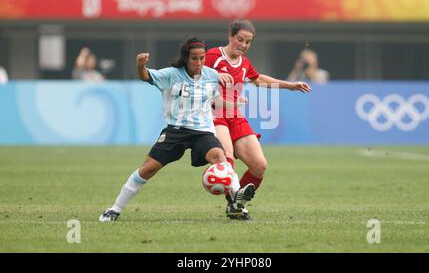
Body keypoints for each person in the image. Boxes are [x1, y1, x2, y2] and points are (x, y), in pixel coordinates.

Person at [99, 37, 254, 222]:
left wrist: (233, 103)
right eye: (195, 58)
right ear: (186, 58)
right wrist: (140, 65)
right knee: (147, 169)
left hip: (203, 131)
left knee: (221, 159)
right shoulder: (171, 74)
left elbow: (213, 100)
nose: (199, 63)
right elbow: (145, 76)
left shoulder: (211, 75)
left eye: (202, 58)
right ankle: (114, 209)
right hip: (176, 131)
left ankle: (236, 202)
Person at [205, 19, 312, 220]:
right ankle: (235, 205)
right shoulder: (212, 56)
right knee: (226, 157)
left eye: (248, 42)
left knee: (259, 165)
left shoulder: (244, 64)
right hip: (214, 114)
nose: (243, 45)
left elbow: (259, 80)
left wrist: (290, 85)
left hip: (235, 116)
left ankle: (236, 204)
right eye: (240, 39)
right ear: (230, 36)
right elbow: (194, 76)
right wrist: (214, 83)